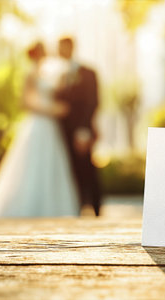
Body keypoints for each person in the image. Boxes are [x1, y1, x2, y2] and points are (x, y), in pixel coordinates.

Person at [0, 42, 80, 218]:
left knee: (50, 165)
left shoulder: (49, 74)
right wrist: (52, 110)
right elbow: (25, 102)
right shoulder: (31, 74)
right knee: (31, 165)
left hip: (51, 127)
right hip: (38, 123)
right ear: (37, 53)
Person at [55, 37, 102, 216]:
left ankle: (95, 208)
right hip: (59, 132)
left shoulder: (88, 72)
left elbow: (93, 102)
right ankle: (75, 208)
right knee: (69, 170)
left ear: (71, 47)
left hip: (80, 131)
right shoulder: (55, 73)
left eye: (63, 47)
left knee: (86, 168)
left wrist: (84, 130)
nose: (61, 51)